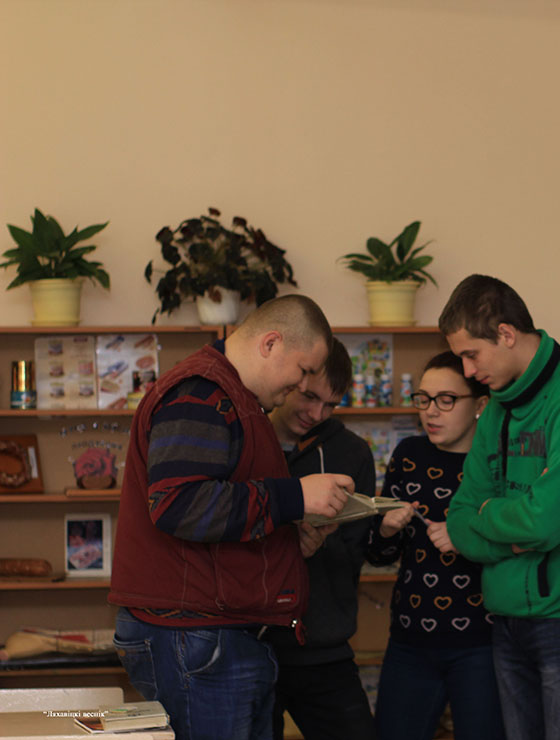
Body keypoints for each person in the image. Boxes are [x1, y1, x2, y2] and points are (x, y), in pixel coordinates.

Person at [109, 295, 353, 740]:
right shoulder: (202, 392)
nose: (301, 386)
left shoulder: (236, 398)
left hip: (214, 635)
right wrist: (295, 497)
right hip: (196, 637)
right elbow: (179, 504)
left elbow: (223, 506)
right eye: (303, 370)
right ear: (271, 343)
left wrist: (287, 537)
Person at [437, 275, 560, 740]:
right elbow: (459, 519)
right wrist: (508, 534)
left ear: (505, 333)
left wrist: (488, 516)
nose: (467, 371)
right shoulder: (498, 405)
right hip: (505, 615)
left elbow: (543, 522)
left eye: (471, 354)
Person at [366, 350, 502, 740]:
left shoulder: (497, 462)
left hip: (482, 641)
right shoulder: (408, 454)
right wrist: (387, 529)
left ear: (480, 405)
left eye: (446, 399)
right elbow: (379, 555)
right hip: (410, 639)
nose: (431, 411)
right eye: (423, 399)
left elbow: (518, 544)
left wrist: (465, 537)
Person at [266, 338, 378, 740]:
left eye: (331, 405)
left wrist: (319, 542)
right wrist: (285, 542)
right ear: (287, 379)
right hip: (250, 646)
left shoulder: (352, 452)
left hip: (324, 646)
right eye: (310, 397)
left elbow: (355, 551)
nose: (317, 414)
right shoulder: (246, 442)